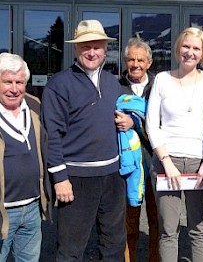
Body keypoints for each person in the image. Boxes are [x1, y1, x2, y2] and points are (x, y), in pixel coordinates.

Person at [40, 20, 130, 261]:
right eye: (85, 47)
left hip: (113, 176)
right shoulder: (58, 85)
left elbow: (126, 116)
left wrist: (130, 122)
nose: (92, 52)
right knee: (71, 250)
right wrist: (60, 178)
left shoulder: (113, 83)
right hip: (76, 179)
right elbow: (52, 136)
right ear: (76, 49)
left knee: (113, 245)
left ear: (105, 49)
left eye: (97, 47)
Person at [146, 27, 203, 262]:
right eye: (186, 46)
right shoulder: (162, 80)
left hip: (199, 162)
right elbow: (151, 125)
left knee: (198, 230)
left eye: (196, 48)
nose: (190, 52)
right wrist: (166, 162)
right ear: (178, 49)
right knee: (168, 231)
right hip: (169, 160)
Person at [0, 53, 51, 262]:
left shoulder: (34, 105)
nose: (14, 89)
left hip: (32, 208)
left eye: (19, 82)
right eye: (7, 82)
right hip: (2, 211)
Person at [119, 37, 159, 262]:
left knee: (157, 221)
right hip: (129, 166)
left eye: (140, 60)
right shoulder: (116, 87)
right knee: (129, 222)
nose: (135, 64)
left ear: (149, 63)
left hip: (156, 163)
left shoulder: (160, 86)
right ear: (125, 61)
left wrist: (135, 122)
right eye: (131, 59)